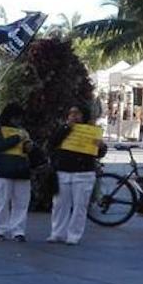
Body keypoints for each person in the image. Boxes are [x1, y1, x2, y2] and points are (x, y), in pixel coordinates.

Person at [47, 105, 106, 245]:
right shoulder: (63, 129)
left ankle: (74, 235)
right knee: (59, 205)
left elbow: (99, 153)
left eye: (77, 113)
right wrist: (67, 128)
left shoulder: (91, 131)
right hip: (63, 171)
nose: (74, 116)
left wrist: (101, 146)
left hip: (84, 173)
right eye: (71, 113)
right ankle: (57, 233)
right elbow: (52, 142)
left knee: (80, 205)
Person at [0, 104, 34, 242]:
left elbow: (27, 150)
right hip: (3, 169)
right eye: (16, 117)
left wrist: (29, 146)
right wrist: (17, 138)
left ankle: (18, 231)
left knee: (21, 202)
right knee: (1, 201)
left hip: (21, 169)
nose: (18, 121)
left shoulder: (23, 131)